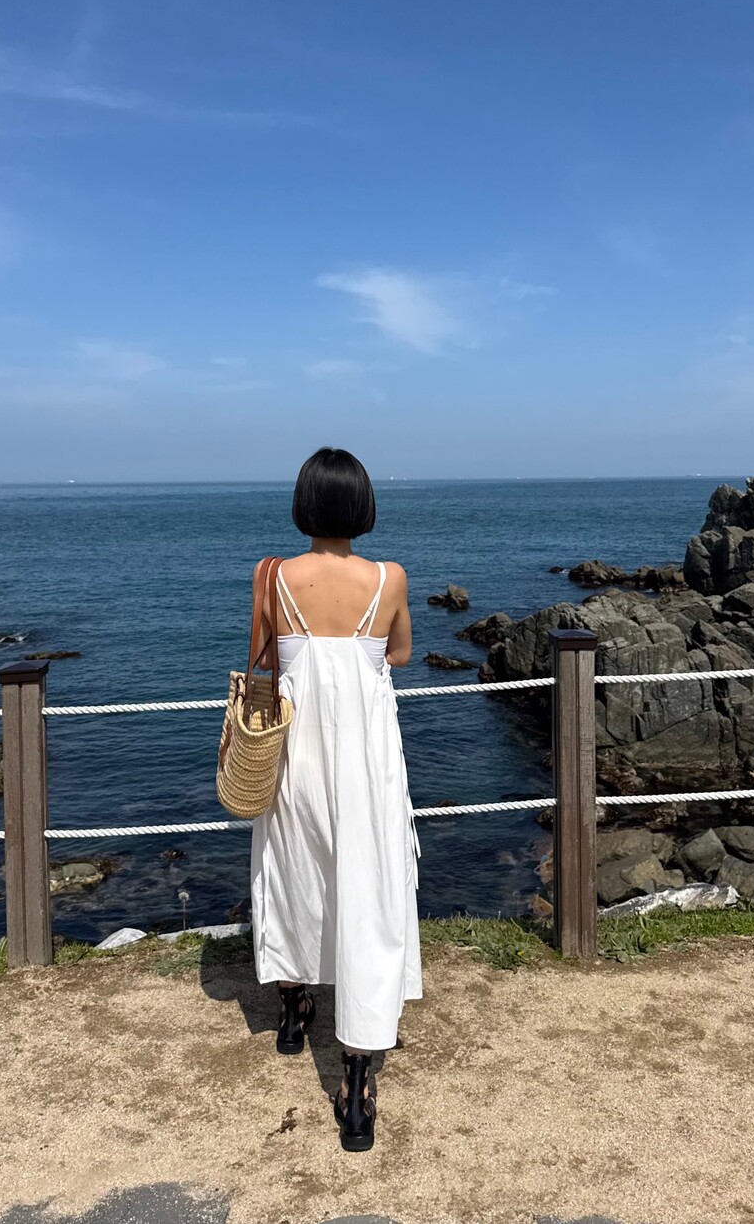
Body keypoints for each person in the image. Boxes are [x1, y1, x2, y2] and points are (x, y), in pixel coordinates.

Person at [248, 446, 423, 1152]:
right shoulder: (390, 578)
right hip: (368, 756)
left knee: (294, 870)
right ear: (362, 505)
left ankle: (294, 1013)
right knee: (367, 887)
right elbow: (399, 654)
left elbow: (265, 652)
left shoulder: (273, 576)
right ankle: (356, 1082)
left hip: (295, 751)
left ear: (304, 503)